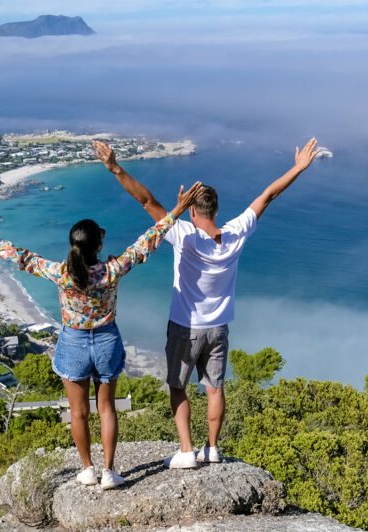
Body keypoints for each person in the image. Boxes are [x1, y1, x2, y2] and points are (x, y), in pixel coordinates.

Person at [0, 181, 204, 488]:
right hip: (107, 341)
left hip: (73, 343)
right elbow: (147, 241)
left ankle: (87, 469)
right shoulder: (112, 270)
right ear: (98, 246)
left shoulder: (61, 273)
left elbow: (20, 257)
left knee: (78, 412)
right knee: (107, 408)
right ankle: (109, 471)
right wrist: (176, 210)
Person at [94, 138, 320, 468]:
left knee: (177, 387)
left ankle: (187, 451)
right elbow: (267, 196)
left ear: (191, 209)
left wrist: (116, 168)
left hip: (185, 327)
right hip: (218, 328)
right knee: (215, 390)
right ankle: (212, 448)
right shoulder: (235, 234)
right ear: (215, 209)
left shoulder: (182, 233)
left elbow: (146, 201)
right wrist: (297, 168)